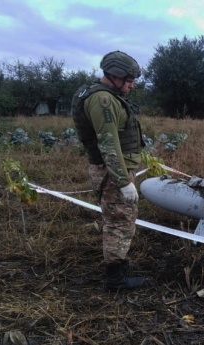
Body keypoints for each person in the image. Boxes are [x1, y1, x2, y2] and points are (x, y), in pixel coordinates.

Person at [71, 50, 146, 290]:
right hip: (112, 173)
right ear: (115, 76)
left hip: (113, 171)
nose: (131, 86)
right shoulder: (102, 100)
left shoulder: (106, 96)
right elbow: (108, 143)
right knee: (119, 222)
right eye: (129, 81)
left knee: (121, 220)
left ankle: (119, 264)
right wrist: (123, 181)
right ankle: (115, 279)